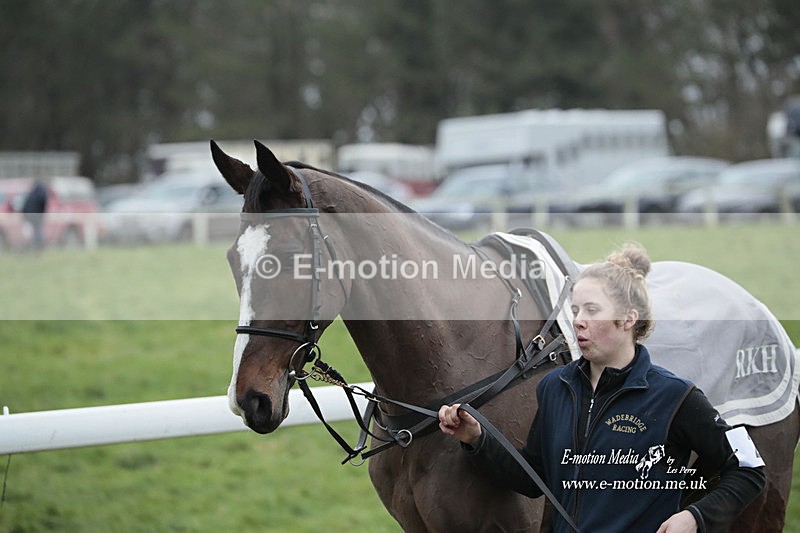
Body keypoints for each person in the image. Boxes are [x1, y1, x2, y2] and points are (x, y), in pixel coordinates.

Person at [439, 242, 766, 532]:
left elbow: (749, 471)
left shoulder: (676, 397)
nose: (578, 320)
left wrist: (695, 517)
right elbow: (533, 477)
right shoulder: (555, 387)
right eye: (576, 309)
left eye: (592, 310)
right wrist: (477, 439)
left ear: (627, 320)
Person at [21, 179, 49, 250]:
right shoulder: (42, 193)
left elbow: (25, 206)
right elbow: (44, 203)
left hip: (30, 215)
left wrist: (25, 216)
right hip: (37, 215)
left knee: (33, 232)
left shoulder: (31, 194)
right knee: (37, 231)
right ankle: (38, 246)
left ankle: (33, 246)